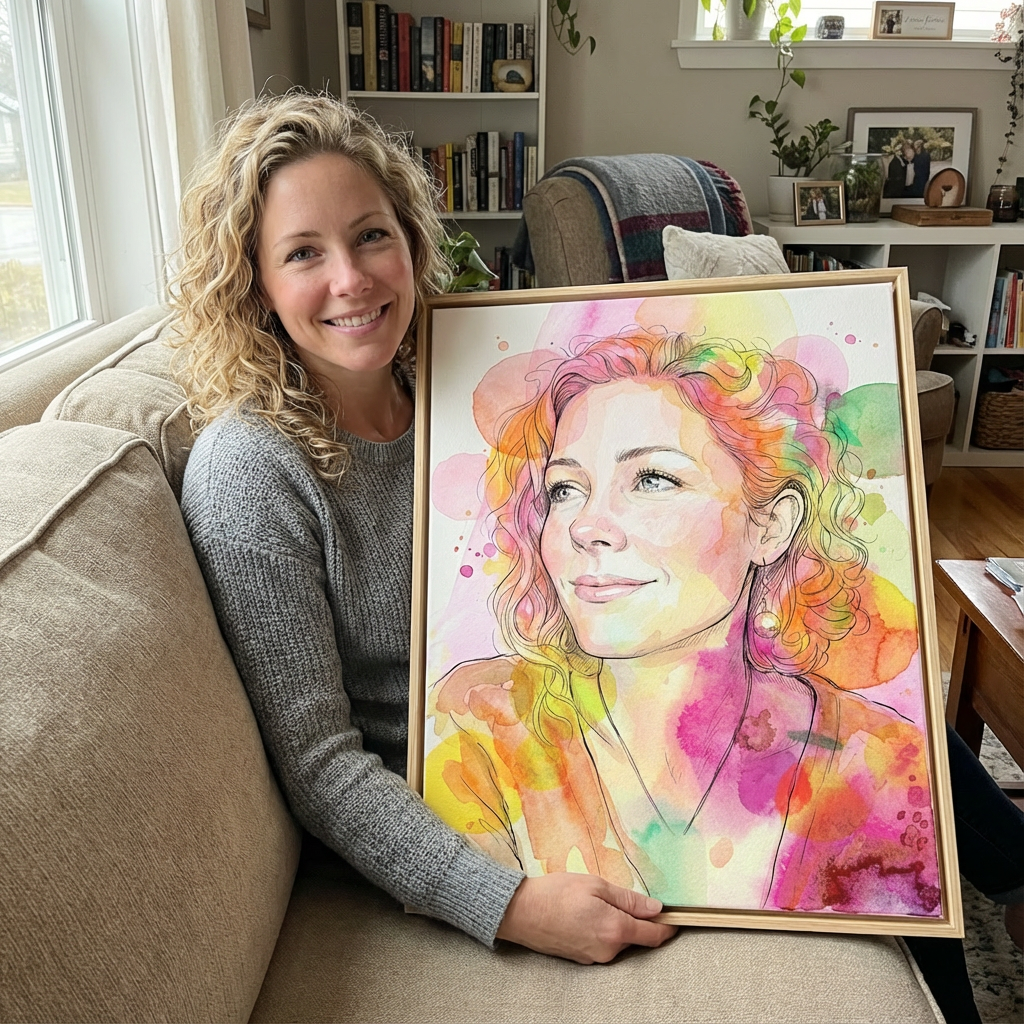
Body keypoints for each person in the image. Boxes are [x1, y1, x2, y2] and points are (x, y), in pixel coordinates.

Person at [170, 91, 675, 967]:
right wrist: (510, 904)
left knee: (902, 775)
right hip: (480, 815)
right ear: (255, 286)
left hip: (605, 737)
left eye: (370, 235)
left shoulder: (472, 401)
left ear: (410, 243)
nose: (351, 279)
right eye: (302, 253)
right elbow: (320, 765)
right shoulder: (249, 470)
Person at [428, 330, 942, 916]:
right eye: (565, 489)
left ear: (769, 526)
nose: (584, 526)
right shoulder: (482, 721)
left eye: (652, 480)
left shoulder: (879, 763)